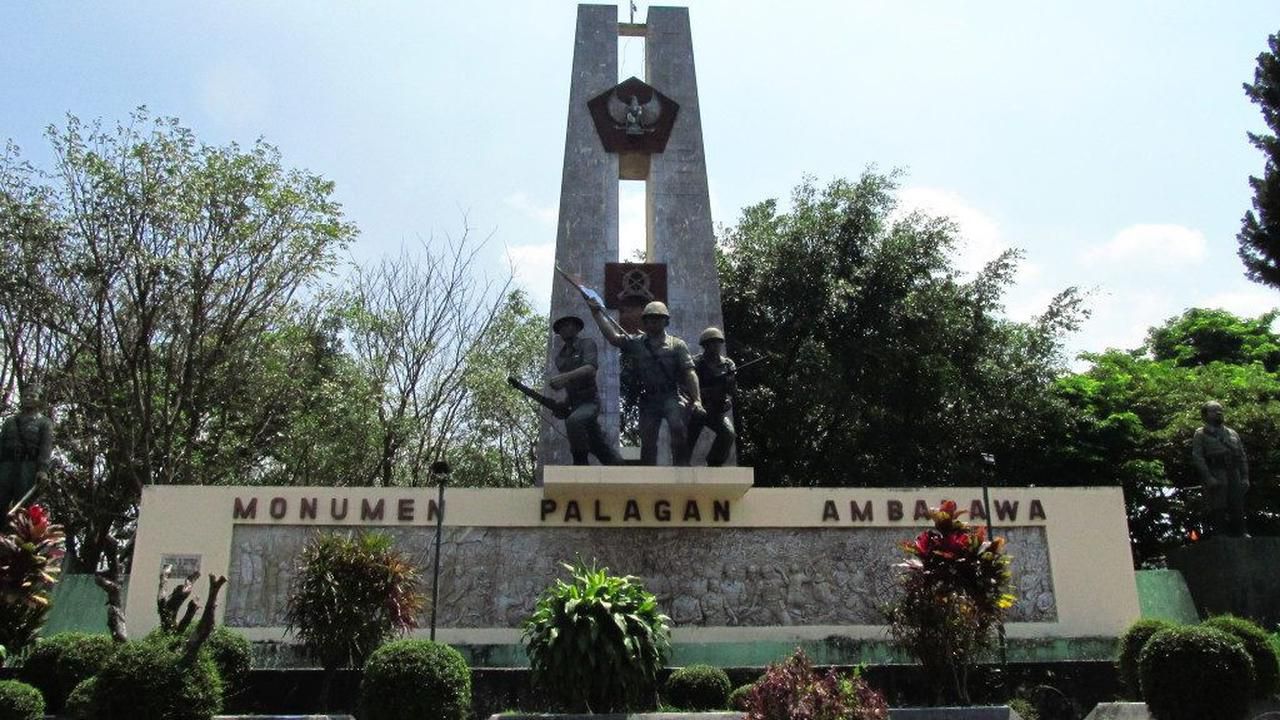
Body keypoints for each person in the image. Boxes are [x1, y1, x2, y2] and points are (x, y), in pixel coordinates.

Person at [586, 298, 702, 465]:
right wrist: (596, 313)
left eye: (657, 318)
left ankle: (681, 465)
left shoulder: (677, 345)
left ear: (666, 321)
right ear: (645, 322)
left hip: (671, 395)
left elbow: (689, 372)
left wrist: (697, 399)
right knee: (647, 440)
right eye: (649, 318)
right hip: (649, 398)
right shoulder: (636, 343)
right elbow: (613, 338)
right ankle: (649, 473)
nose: (653, 321)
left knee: (678, 428)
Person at [547, 314, 621, 466]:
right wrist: (564, 403)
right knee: (599, 446)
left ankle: (580, 462)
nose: (566, 329)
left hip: (590, 401)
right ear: (559, 332)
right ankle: (620, 469)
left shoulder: (587, 344)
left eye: (570, 325)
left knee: (573, 421)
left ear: (577, 329)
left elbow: (590, 369)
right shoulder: (560, 357)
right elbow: (571, 385)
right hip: (574, 403)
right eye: (563, 327)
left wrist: (565, 377)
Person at [1192, 400, 1249, 537]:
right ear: (1205, 415)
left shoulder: (1232, 433)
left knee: (1237, 503)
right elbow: (1198, 457)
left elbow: (1241, 456)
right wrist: (1208, 477)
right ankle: (1220, 533)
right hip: (1216, 471)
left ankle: (1241, 532)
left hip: (1233, 471)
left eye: (1220, 410)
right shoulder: (1201, 434)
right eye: (1214, 410)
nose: (1218, 413)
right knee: (1218, 504)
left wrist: (1245, 476)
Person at [0, 386, 54, 518]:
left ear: (39, 400)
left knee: (23, 506)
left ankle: (18, 535)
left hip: (28, 467)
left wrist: (43, 469)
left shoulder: (44, 423)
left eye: (32, 396)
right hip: (7, 466)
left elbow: (45, 447)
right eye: (25, 396)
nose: (28, 398)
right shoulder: (10, 421)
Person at [688, 327, 737, 466]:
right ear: (705, 345)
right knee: (688, 439)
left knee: (728, 434)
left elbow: (732, 391)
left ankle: (714, 462)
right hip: (697, 409)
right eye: (712, 343)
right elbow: (686, 385)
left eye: (718, 343)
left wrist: (729, 399)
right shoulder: (696, 363)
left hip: (716, 410)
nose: (716, 346)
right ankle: (681, 463)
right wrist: (704, 393)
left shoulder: (728, 365)